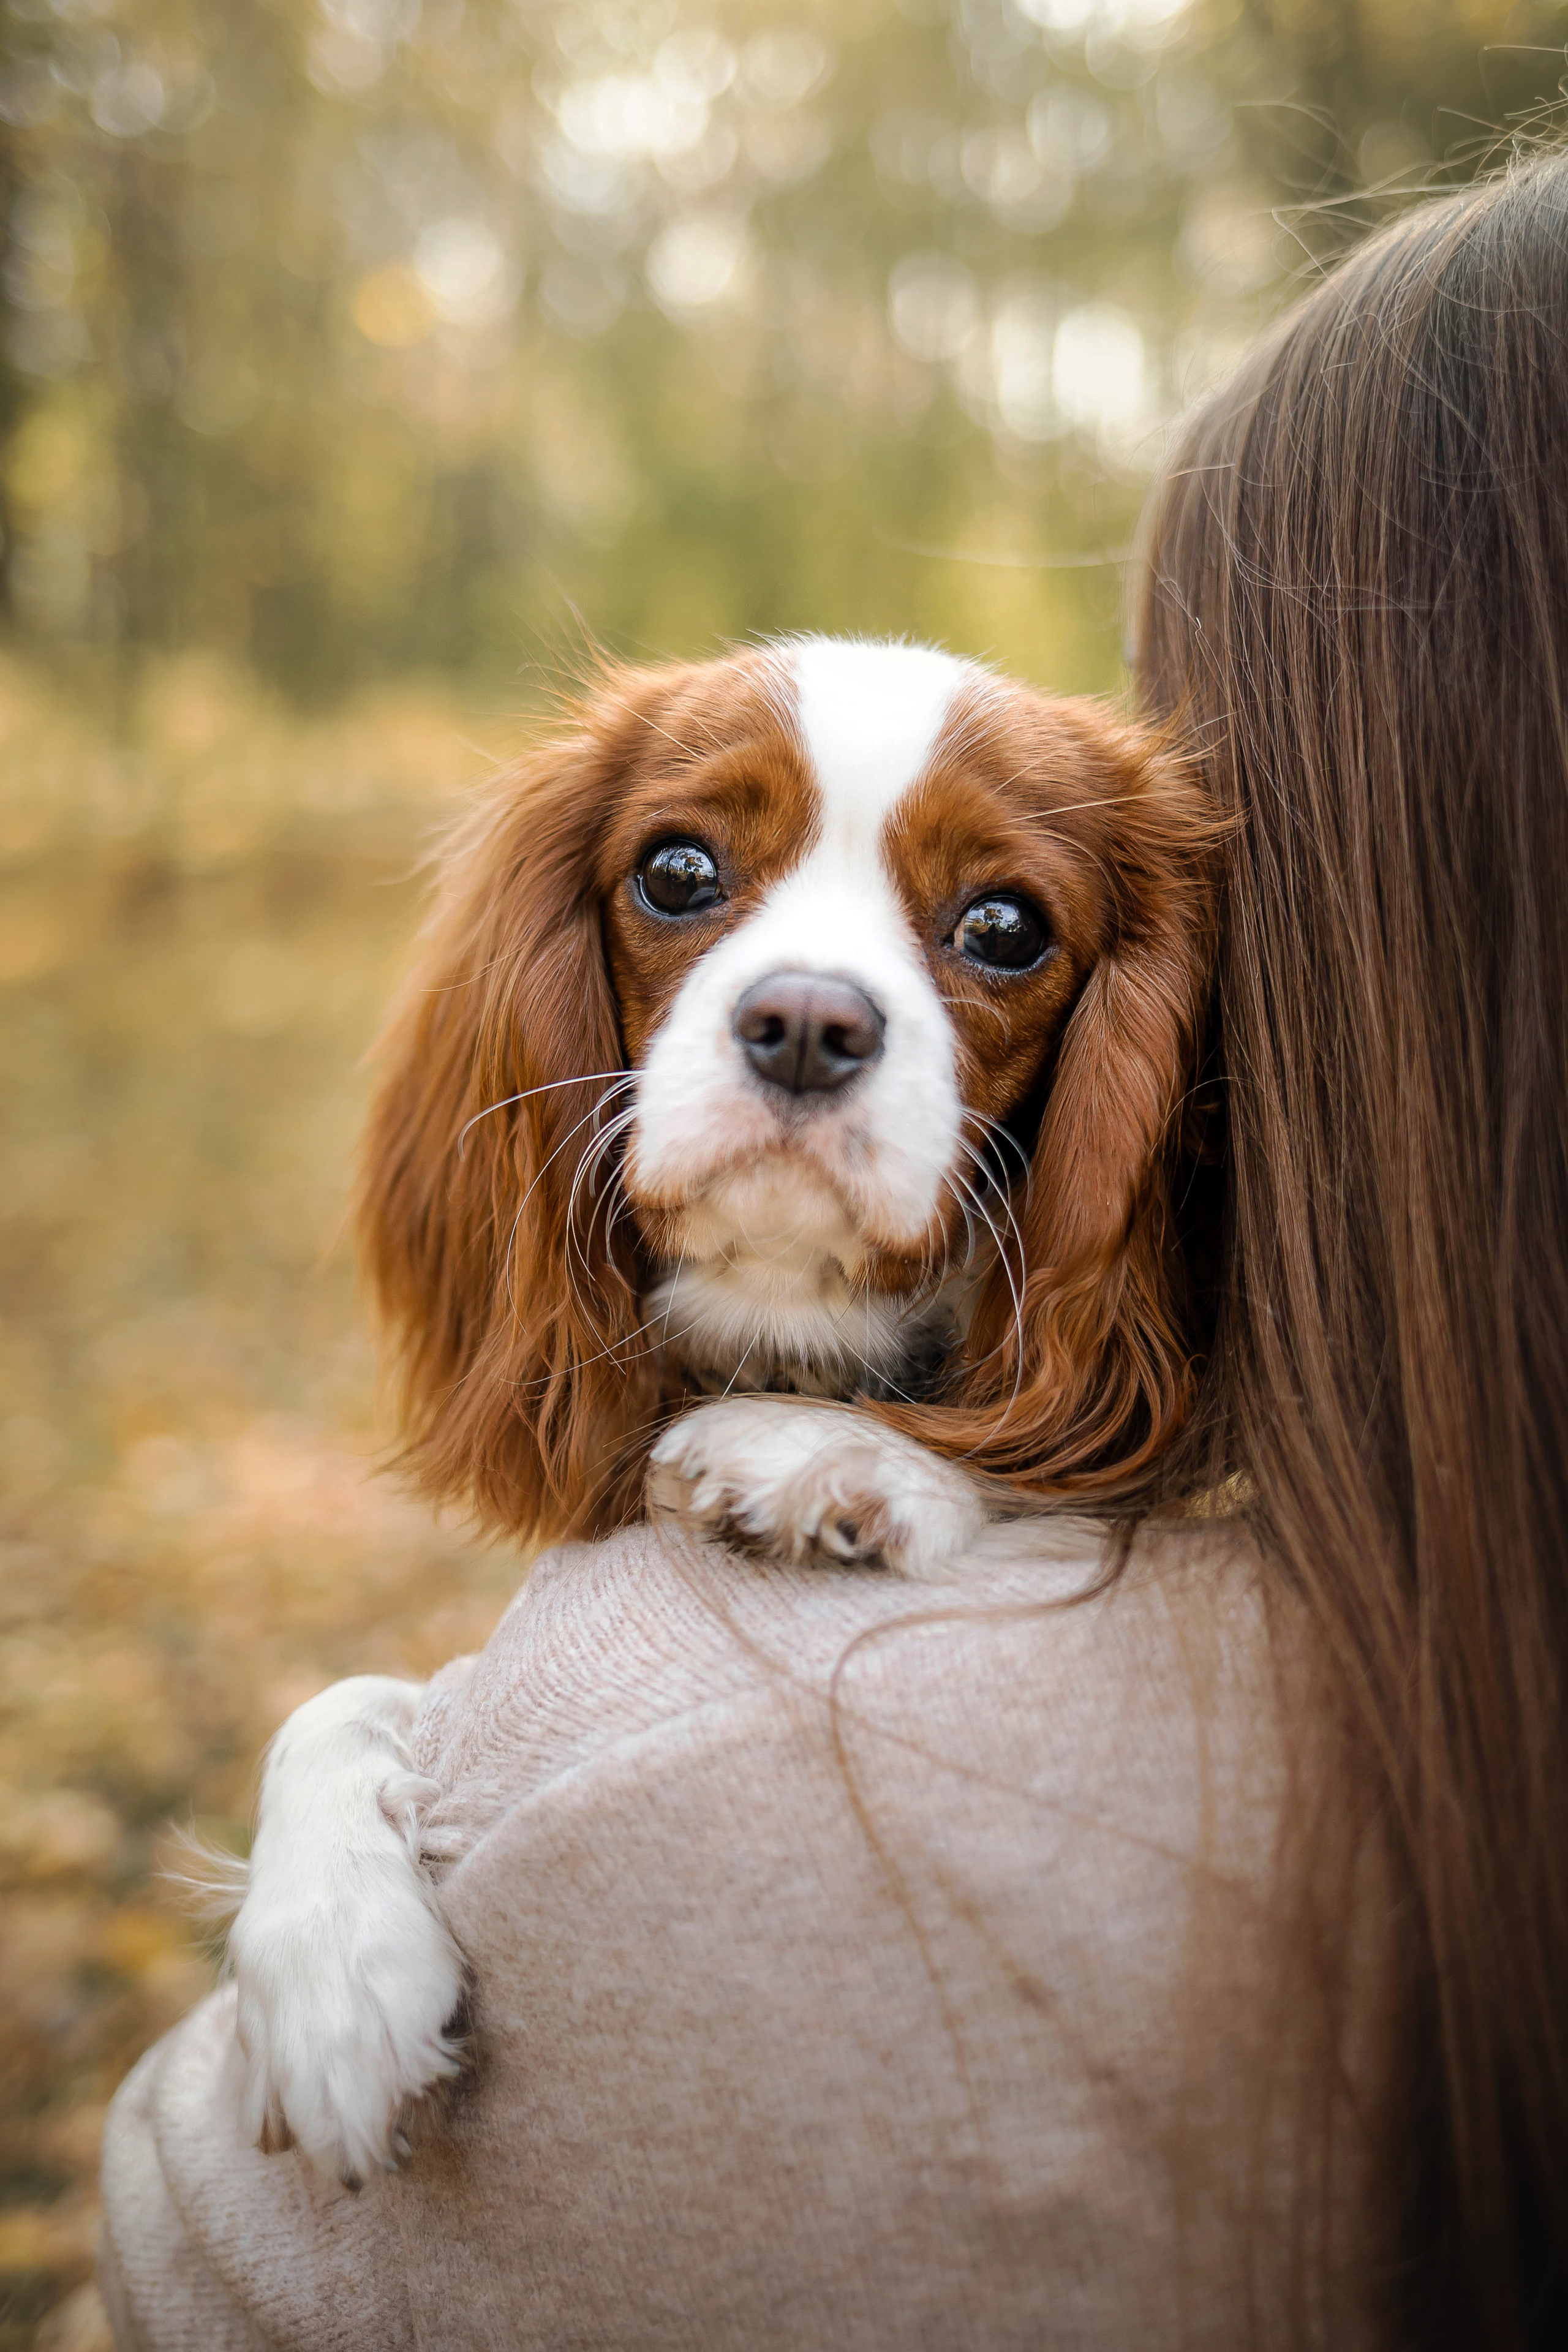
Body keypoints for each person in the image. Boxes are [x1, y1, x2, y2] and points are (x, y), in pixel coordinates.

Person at [99, 151, 1568, 2350]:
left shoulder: (757, 1751)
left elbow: (178, 2248)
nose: (811, 1004)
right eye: (690, 883)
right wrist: (336, 1776)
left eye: (992, 935)